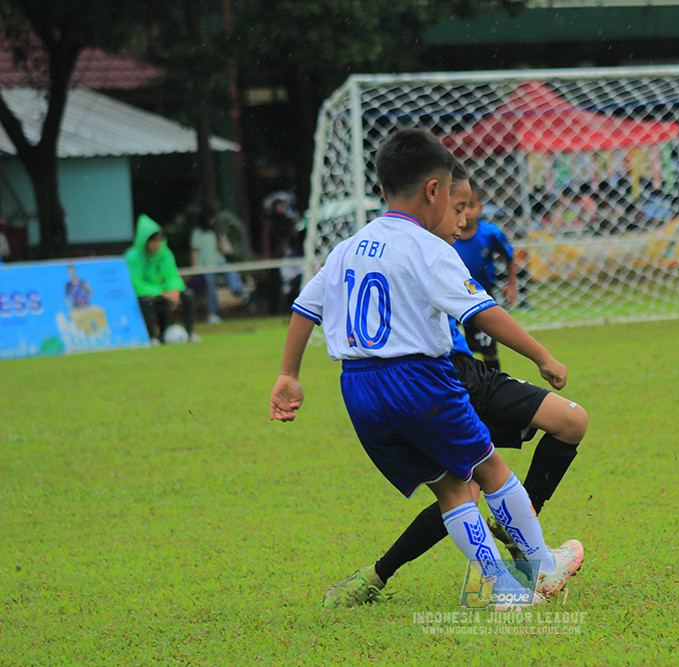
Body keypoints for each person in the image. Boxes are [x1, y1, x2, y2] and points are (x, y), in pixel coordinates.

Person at [268, 128, 584, 608]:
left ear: (383, 189)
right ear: (434, 190)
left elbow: (305, 309)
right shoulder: (428, 248)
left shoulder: (347, 248)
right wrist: (542, 356)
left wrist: (289, 374)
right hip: (418, 378)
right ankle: (542, 566)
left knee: (452, 487)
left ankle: (502, 591)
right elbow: (482, 312)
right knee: (491, 469)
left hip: (358, 388)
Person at [453, 181, 517, 371]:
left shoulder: (490, 233)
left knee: (488, 348)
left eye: (471, 206)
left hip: (481, 295)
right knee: (449, 344)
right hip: (453, 294)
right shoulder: (447, 234)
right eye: (460, 207)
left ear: (480, 208)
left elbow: (510, 256)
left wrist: (511, 284)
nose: (466, 212)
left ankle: (494, 382)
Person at [125, 214, 201, 345]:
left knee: (188, 295)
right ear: (145, 241)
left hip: (166, 292)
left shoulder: (165, 253)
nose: (157, 244)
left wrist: (174, 291)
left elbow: (172, 275)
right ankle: (152, 337)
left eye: (160, 240)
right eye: (153, 240)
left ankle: (190, 333)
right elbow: (136, 283)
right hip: (148, 294)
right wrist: (162, 293)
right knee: (146, 300)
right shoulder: (132, 257)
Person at [189, 208, 248, 324]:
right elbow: (194, 250)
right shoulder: (198, 232)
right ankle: (211, 313)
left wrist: (223, 243)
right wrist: (194, 267)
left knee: (231, 272)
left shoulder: (217, 232)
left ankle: (240, 291)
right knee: (210, 287)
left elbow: (228, 251)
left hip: (218, 261)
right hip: (205, 265)